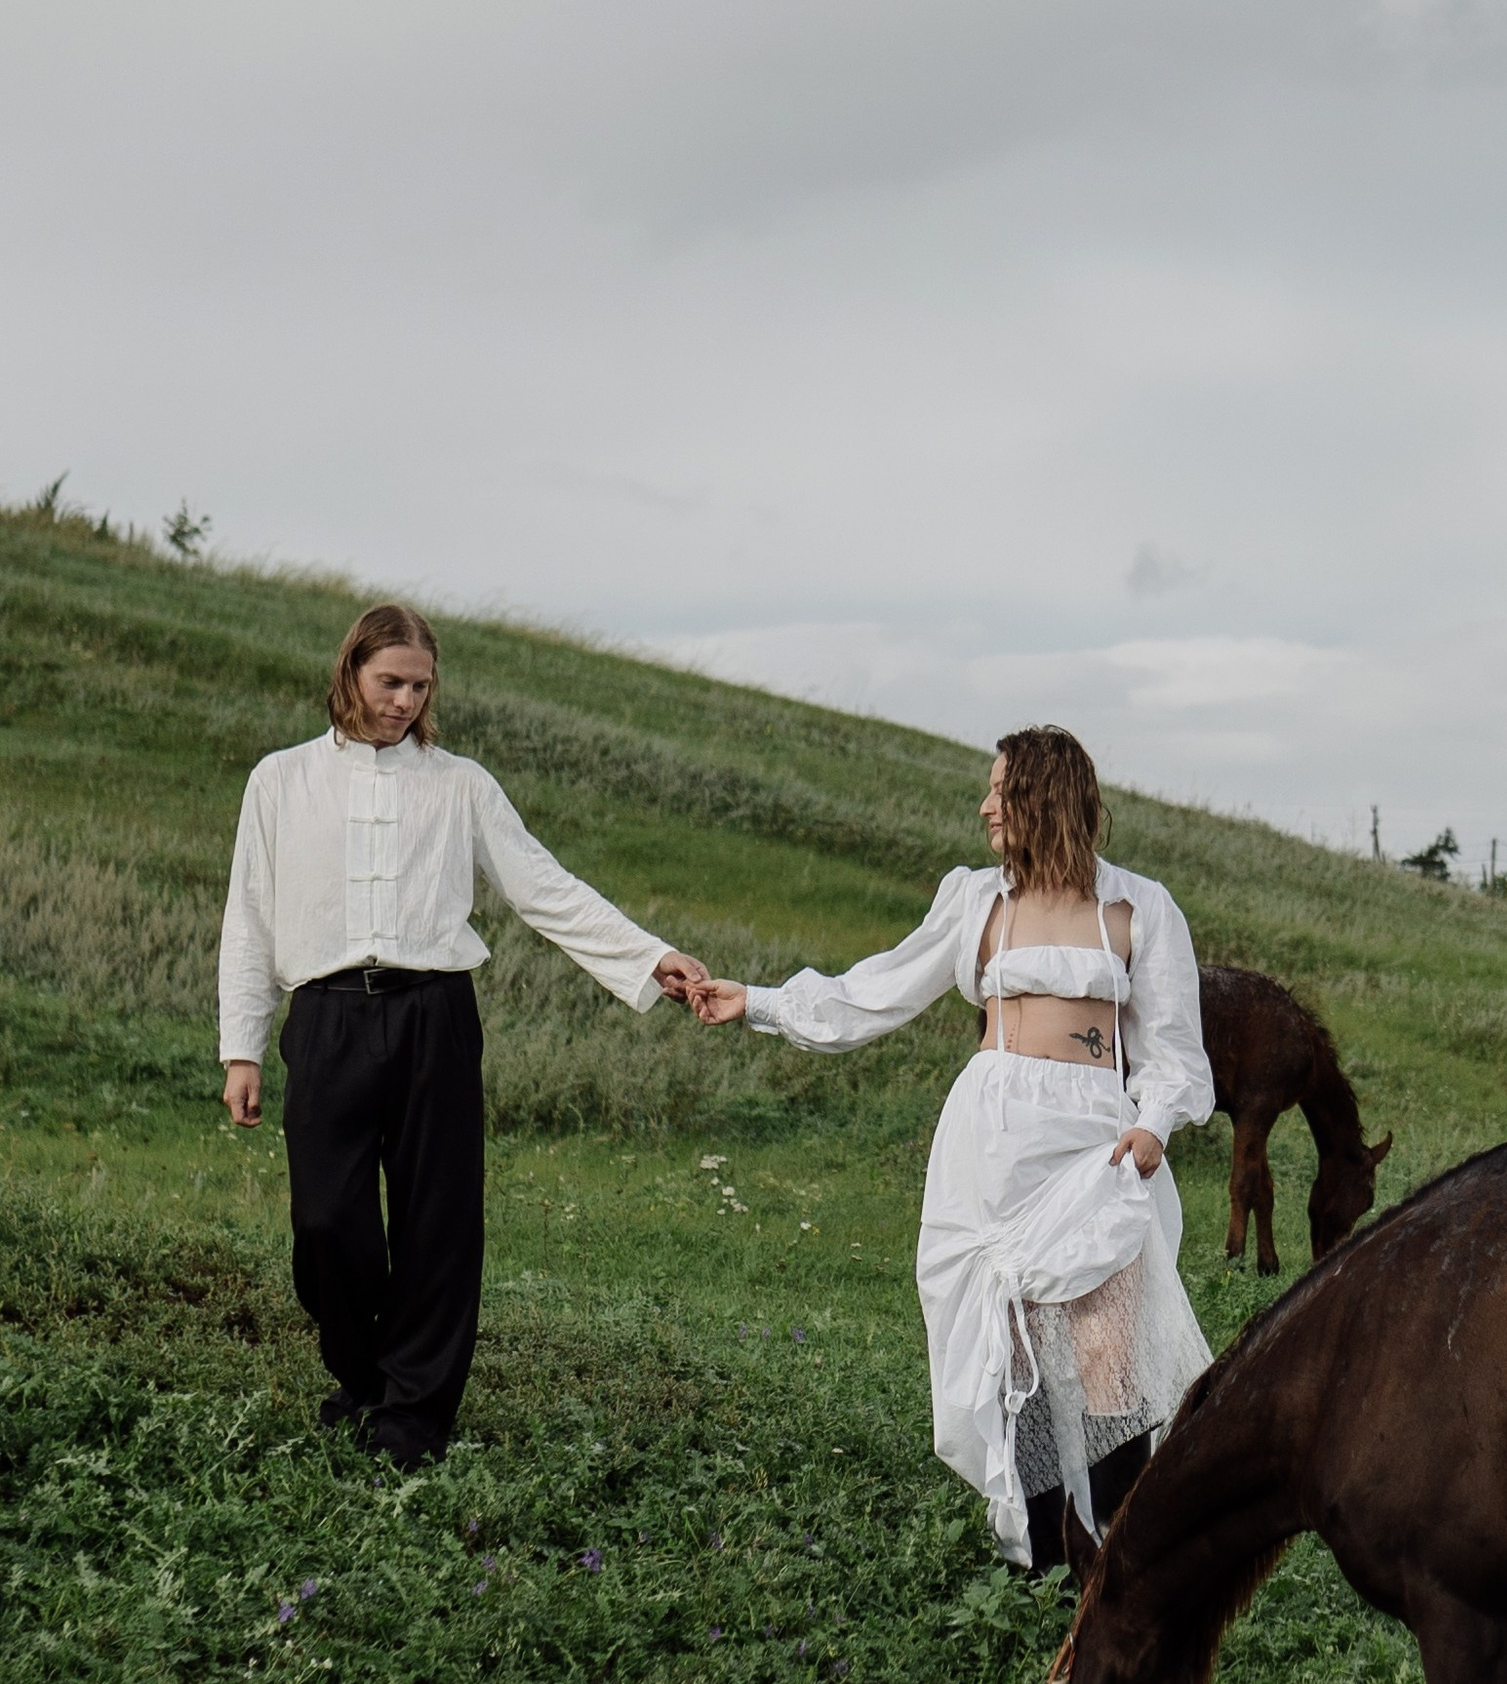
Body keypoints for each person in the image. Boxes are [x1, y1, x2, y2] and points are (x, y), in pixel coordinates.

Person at [688, 725, 1215, 1569]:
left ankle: (1121, 1556)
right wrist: (755, 1001)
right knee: (1012, 1353)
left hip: (1098, 1148)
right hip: (994, 1141)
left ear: (1043, 797)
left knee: (1110, 1351)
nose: (984, 806)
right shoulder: (979, 902)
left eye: (1000, 791)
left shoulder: (1138, 907)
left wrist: (1153, 1127)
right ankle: (1040, 1556)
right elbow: (877, 990)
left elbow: (1177, 1055)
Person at [218, 602, 707, 1468]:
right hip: (325, 1019)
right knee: (327, 1223)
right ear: (351, 673)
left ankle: (412, 1420)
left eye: (420, 686)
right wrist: (242, 1046)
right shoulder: (280, 781)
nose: (404, 700)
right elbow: (249, 916)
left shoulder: (461, 784)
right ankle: (365, 1377)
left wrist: (649, 957)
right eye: (389, 682)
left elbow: (544, 890)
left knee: (438, 1223)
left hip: (434, 1016)